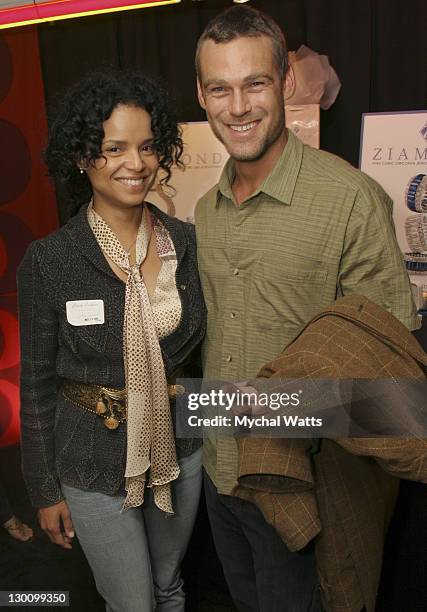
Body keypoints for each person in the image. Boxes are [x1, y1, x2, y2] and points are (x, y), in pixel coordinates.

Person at [194, 5, 420, 612]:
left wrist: (276, 412)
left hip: (307, 491)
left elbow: (391, 384)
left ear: (286, 83)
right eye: (220, 88)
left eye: (255, 83)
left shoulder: (350, 200)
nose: (237, 107)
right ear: (202, 95)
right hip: (220, 476)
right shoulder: (207, 211)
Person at [17, 72, 206, 612]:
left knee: (170, 586)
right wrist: (45, 491)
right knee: (132, 602)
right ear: (83, 158)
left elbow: (203, 353)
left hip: (179, 449)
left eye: (147, 147)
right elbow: (35, 387)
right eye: (114, 148)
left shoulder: (185, 245)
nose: (136, 163)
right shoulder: (51, 262)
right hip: (91, 459)